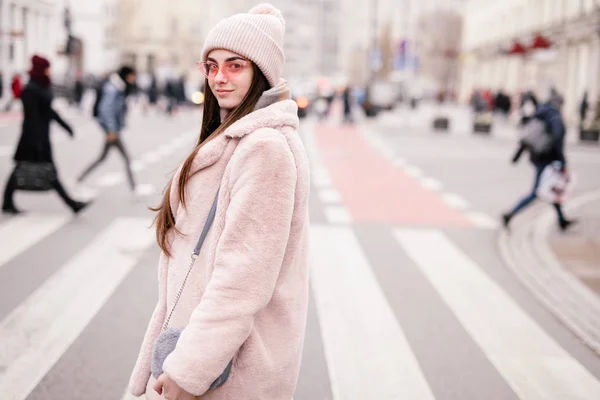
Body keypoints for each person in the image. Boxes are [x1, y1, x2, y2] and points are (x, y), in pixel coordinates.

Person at [127, 4, 310, 400]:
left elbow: (241, 282)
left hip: (226, 372)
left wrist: (189, 371)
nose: (219, 78)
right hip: (204, 350)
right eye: (211, 66)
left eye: (234, 65)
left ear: (261, 72)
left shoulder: (264, 149)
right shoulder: (235, 138)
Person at [2, 55, 90, 214]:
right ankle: (72, 204)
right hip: (33, 138)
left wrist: (66, 126)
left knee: (25, 169)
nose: (50, 71)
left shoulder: (41, 86)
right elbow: (32, 118)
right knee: (44, 170)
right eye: (48, 67)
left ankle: (7, 202)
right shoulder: (31, 89)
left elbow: (49, 111)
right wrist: (37, 141)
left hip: (40, 137)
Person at [502, 88, 576, 231]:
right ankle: (510, 214)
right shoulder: (555, 116)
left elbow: (528, 134)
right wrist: (562, 162)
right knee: (538, 191)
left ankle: (561, 220)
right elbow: (558, 139)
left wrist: (517, 155)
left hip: (537, 156)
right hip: (548, 159)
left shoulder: (541, 112)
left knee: (553, 187)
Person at [77, 66, 137, 192]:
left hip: (113, 129)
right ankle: (134, 188)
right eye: (132, 76)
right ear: (127, 76)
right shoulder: (113, 89)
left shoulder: (118, 87)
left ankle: (80, 179)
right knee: (126, 158)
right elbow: (106, 110)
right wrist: (111, 130)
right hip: (112, 130)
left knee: (103, 157)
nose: (134, 79)